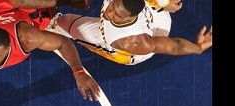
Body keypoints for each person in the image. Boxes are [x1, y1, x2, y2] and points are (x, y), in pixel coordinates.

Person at [47, 0, 213, 65]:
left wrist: (198, 48)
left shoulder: (130, 41)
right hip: (155, 13)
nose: (108, 14)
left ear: (131, 17)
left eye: (117, 15)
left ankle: (52, 24)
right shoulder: (119, 8)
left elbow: (174, 47)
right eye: (112, 7)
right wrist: (165, 2)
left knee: (65, 22)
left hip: (141, 41)